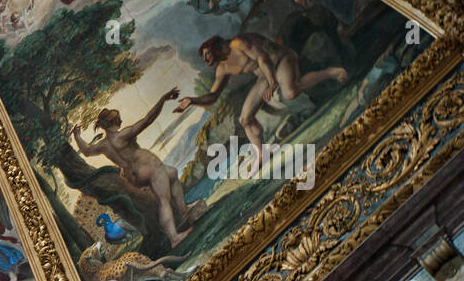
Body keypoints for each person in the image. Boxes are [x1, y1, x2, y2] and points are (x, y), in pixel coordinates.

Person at [175, 35, 347, 171]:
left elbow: (263, 58)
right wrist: (192, 100)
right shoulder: (222, 68)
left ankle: (330, 72)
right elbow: (213, 96)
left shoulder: (238, 43)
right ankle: (261, 153)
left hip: (280, 60)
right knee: (245, 119)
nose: (205, 60)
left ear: (216, 47)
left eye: (207, 54)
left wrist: (273, 83)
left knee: (291, 92)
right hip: (264, 76)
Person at [73, 88, 205, 248]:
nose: (121, 120)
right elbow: (148, 119)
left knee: (172, 172)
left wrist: (77, 136)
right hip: (147, 169)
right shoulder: (122, 135)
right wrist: (163, 99)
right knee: (164, 200)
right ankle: (174, 238)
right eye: (119, 118)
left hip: (132, 176)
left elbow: (86, 151)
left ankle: (184, 211)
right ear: (116, 122)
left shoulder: (103, 145)